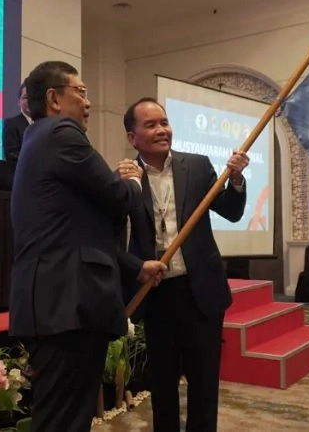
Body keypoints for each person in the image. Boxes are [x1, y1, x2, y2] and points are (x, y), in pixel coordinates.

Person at [8, 62, 166, 432]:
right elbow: (115, 197)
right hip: (67, 305)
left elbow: (77, 229)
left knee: (61, 416)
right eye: (79, 92)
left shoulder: (38, 138)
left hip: (53, 303)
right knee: (65, 419)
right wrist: (132, 181)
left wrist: (133, 266)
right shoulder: (62, 133)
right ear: (54, 99)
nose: (88, 102)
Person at [117, 98, 248, 432]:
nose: (162, 130)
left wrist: (236, 180)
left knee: (204, 384)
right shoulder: (126, 177)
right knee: (162, 384)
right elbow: (112, 236)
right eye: (151, 125)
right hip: (156, 293)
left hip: (200, 291)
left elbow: (231, 211)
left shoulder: (197, 166)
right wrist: (136, 265)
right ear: (132, 138)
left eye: (164, 122)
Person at [2, 78, 31, 162]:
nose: (29, 101)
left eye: (33, 97)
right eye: (26, 97)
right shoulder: (11, 124)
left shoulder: (42, 123)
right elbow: (11, 154)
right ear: (19, 102)